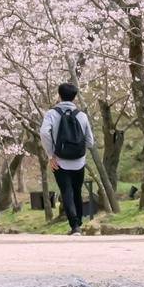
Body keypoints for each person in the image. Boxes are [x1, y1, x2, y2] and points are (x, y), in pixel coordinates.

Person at [40, 81, 95, 233]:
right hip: (79, 161)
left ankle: (75, 226)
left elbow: (44, 133)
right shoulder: (82, 116)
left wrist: (51, 154)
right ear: (74, 97)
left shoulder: (51, 114)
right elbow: (90, 142)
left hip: (59, 162)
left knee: (66, 191)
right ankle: (80, 223)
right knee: (77, 190)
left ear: (59, 95)